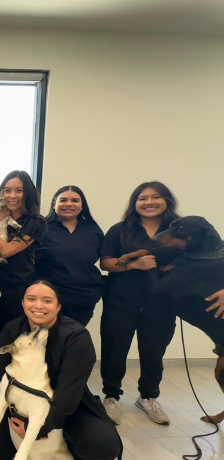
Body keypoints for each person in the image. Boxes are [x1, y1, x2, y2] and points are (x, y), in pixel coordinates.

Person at [0, 281, 122, 460]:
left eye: (47, 300)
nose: (38, 305)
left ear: (58, 307)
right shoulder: (12, 329)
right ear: (23, 303)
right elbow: (0, 375)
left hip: (63, 407)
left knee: (103, 444)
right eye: (31, 299)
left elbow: (69, 392)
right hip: (19, 403)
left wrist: (40, 428)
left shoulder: (76, 336)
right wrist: (18, 417)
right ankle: (33, 455)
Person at [99, 181, 180, 426]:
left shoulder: (180, 231)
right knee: (114, 349)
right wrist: (133, 264)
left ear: (167, 201)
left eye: (156, 197)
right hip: (121, 300)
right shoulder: (120, 230)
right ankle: (111, 396)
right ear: (135, 203)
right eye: (143, 198)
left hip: (162, 304)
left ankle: (148, 397)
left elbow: (195, 260)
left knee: (154, 352)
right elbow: (105, 263)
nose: (149, 202)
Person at [0, 170, 47, 370]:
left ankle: (16, 385)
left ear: (27, 193)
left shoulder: (35, 222)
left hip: (17, 289)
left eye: (19, 190)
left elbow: (7, 250)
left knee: (17, 342)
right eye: (7, 190)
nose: (12, 195)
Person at [35, 186, 106, 326]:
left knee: (74, 338)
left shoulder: (93, 230)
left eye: (75, 200)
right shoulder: (41, 227)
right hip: (48, 298)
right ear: (54, 204)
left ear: (82, 206)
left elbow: (99, 259)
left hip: (84, 299)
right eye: (63, 200)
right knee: (45, 338)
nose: (69, 204)